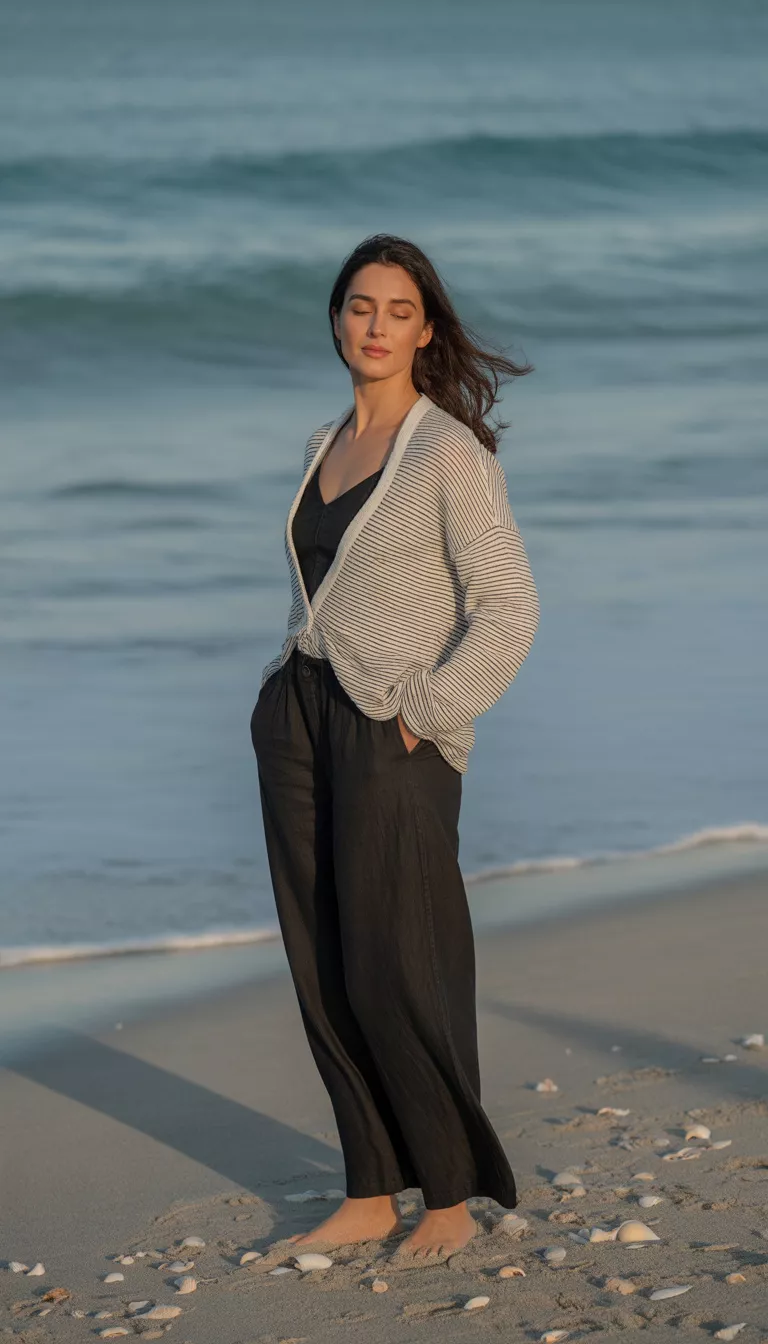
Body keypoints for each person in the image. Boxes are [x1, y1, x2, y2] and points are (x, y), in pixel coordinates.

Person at [250, 233, 540, 1264]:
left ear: (427, 329)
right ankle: (372, 1188)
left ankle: (451, 1197)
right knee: (323, 962)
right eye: (360, 306)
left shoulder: (449, 453)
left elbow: (508, 610)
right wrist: (286, 691)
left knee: (397, 965)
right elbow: (326, 590)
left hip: (394, 729)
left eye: (398, 310)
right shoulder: (320, 444)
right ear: (337, 317)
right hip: (300, 715)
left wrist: (430, 713)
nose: (375, 326)